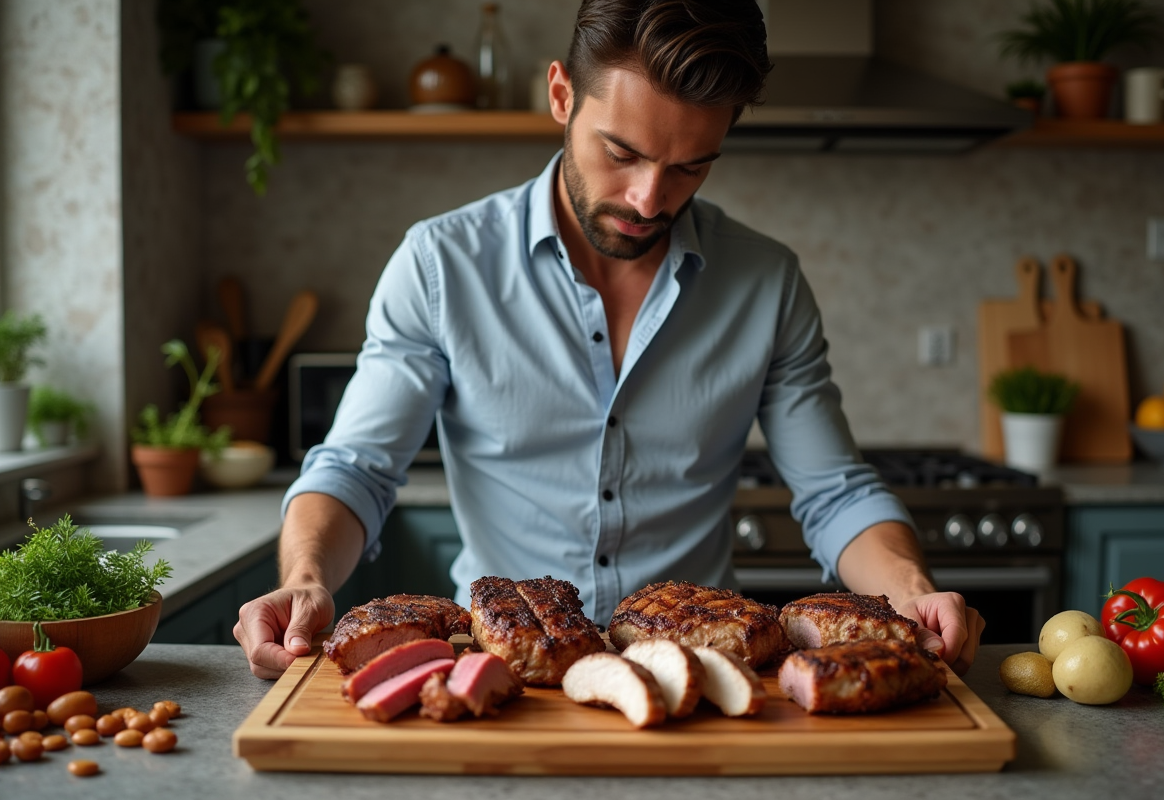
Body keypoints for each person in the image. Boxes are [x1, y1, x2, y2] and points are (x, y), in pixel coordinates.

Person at [234, 0, 985, 681]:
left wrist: (912, 592)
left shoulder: (767, 282)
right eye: (622, 152)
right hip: (508, 670)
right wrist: (305, 578)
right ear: (561, 95)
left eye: (691, 166)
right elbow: (358, 467)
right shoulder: (439, 266)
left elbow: (835, 493)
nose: (650, 199)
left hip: (697, 673)